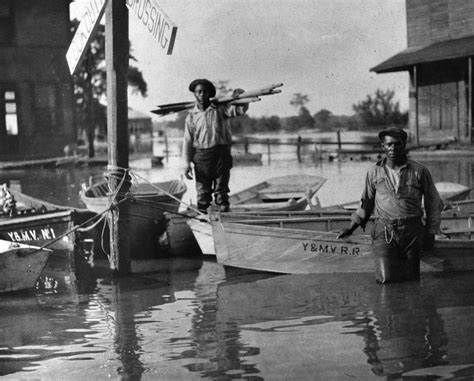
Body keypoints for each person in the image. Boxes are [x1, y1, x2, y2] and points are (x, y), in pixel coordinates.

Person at [337, 127, 443, 283]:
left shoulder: (420, 171)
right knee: (386, 281)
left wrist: (430, 232)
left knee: (412, 281)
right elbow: (366, 203)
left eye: (397, 144)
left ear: (404, 145)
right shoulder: (374, 172)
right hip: (384, 231)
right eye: (389, 144)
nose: (393, 148)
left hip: (412, 232)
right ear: (383, 146)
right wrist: (351, 228)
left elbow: (433, 203)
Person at [183, 78, 249, 213]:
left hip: (221, 156)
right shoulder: (191, 117)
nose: (202, 95)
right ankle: (204, 222)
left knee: (221, 194)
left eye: (205, 92)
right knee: (203, 195)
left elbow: (239, 110)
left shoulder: (221, 110)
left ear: (209, 94)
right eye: (199, 92)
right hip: (202, 158)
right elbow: (188, 141)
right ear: (195, 94)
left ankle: (224, 220)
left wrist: (242, 97)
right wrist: (186, 164)